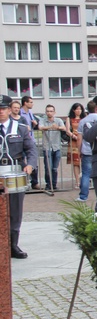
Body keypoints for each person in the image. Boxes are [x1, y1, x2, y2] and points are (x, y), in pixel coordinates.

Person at [0, 94, 38, 258]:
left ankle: (13, 245)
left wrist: (30, 165)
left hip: (14, 172)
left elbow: (31, 150)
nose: (0, 112)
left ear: (9, 110)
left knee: (15, 211)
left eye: (3, 109)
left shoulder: (20, 128)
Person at [38, 104, 65, 191]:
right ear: (45, 112)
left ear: (54, 112)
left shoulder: (58, 120)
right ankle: (48, 184)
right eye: (48, 111)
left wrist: (57, 127)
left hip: (57, 146)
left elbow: (64, 128)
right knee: (48, 167)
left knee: (54, 168)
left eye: (51, 111)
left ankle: (54, 183)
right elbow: (40, 127)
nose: (49, 113)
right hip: (47, 147)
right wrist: (50, 127)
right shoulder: (42, 120)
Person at [75, 101, 97, 202]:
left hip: (87, 150)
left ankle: (83, 196)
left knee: (85, 174)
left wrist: (79, 150)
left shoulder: (83, 121)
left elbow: (79, 138)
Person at [20, 96, 39, 189]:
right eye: (30, 102)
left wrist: (35, 123)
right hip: (22, 140)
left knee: (33, 161)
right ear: (25, 103)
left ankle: (34, 182)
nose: (32, 104)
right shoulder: (20, 112)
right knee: (22, 162)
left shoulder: (30, 113)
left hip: (31, 139)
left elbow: (34, 125)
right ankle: (24, 182)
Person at [65, 103, 85, 189]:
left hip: (83, 141)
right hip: (74, 141)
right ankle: (77, 181)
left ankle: (84, 180)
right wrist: (74, 136)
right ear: (73, 110)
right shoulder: (69, 119)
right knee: (76, 163)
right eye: (77, 109)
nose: (78, 111)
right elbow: (67, 130)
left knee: (85, 161)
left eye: (80, 109)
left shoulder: (84, 118)